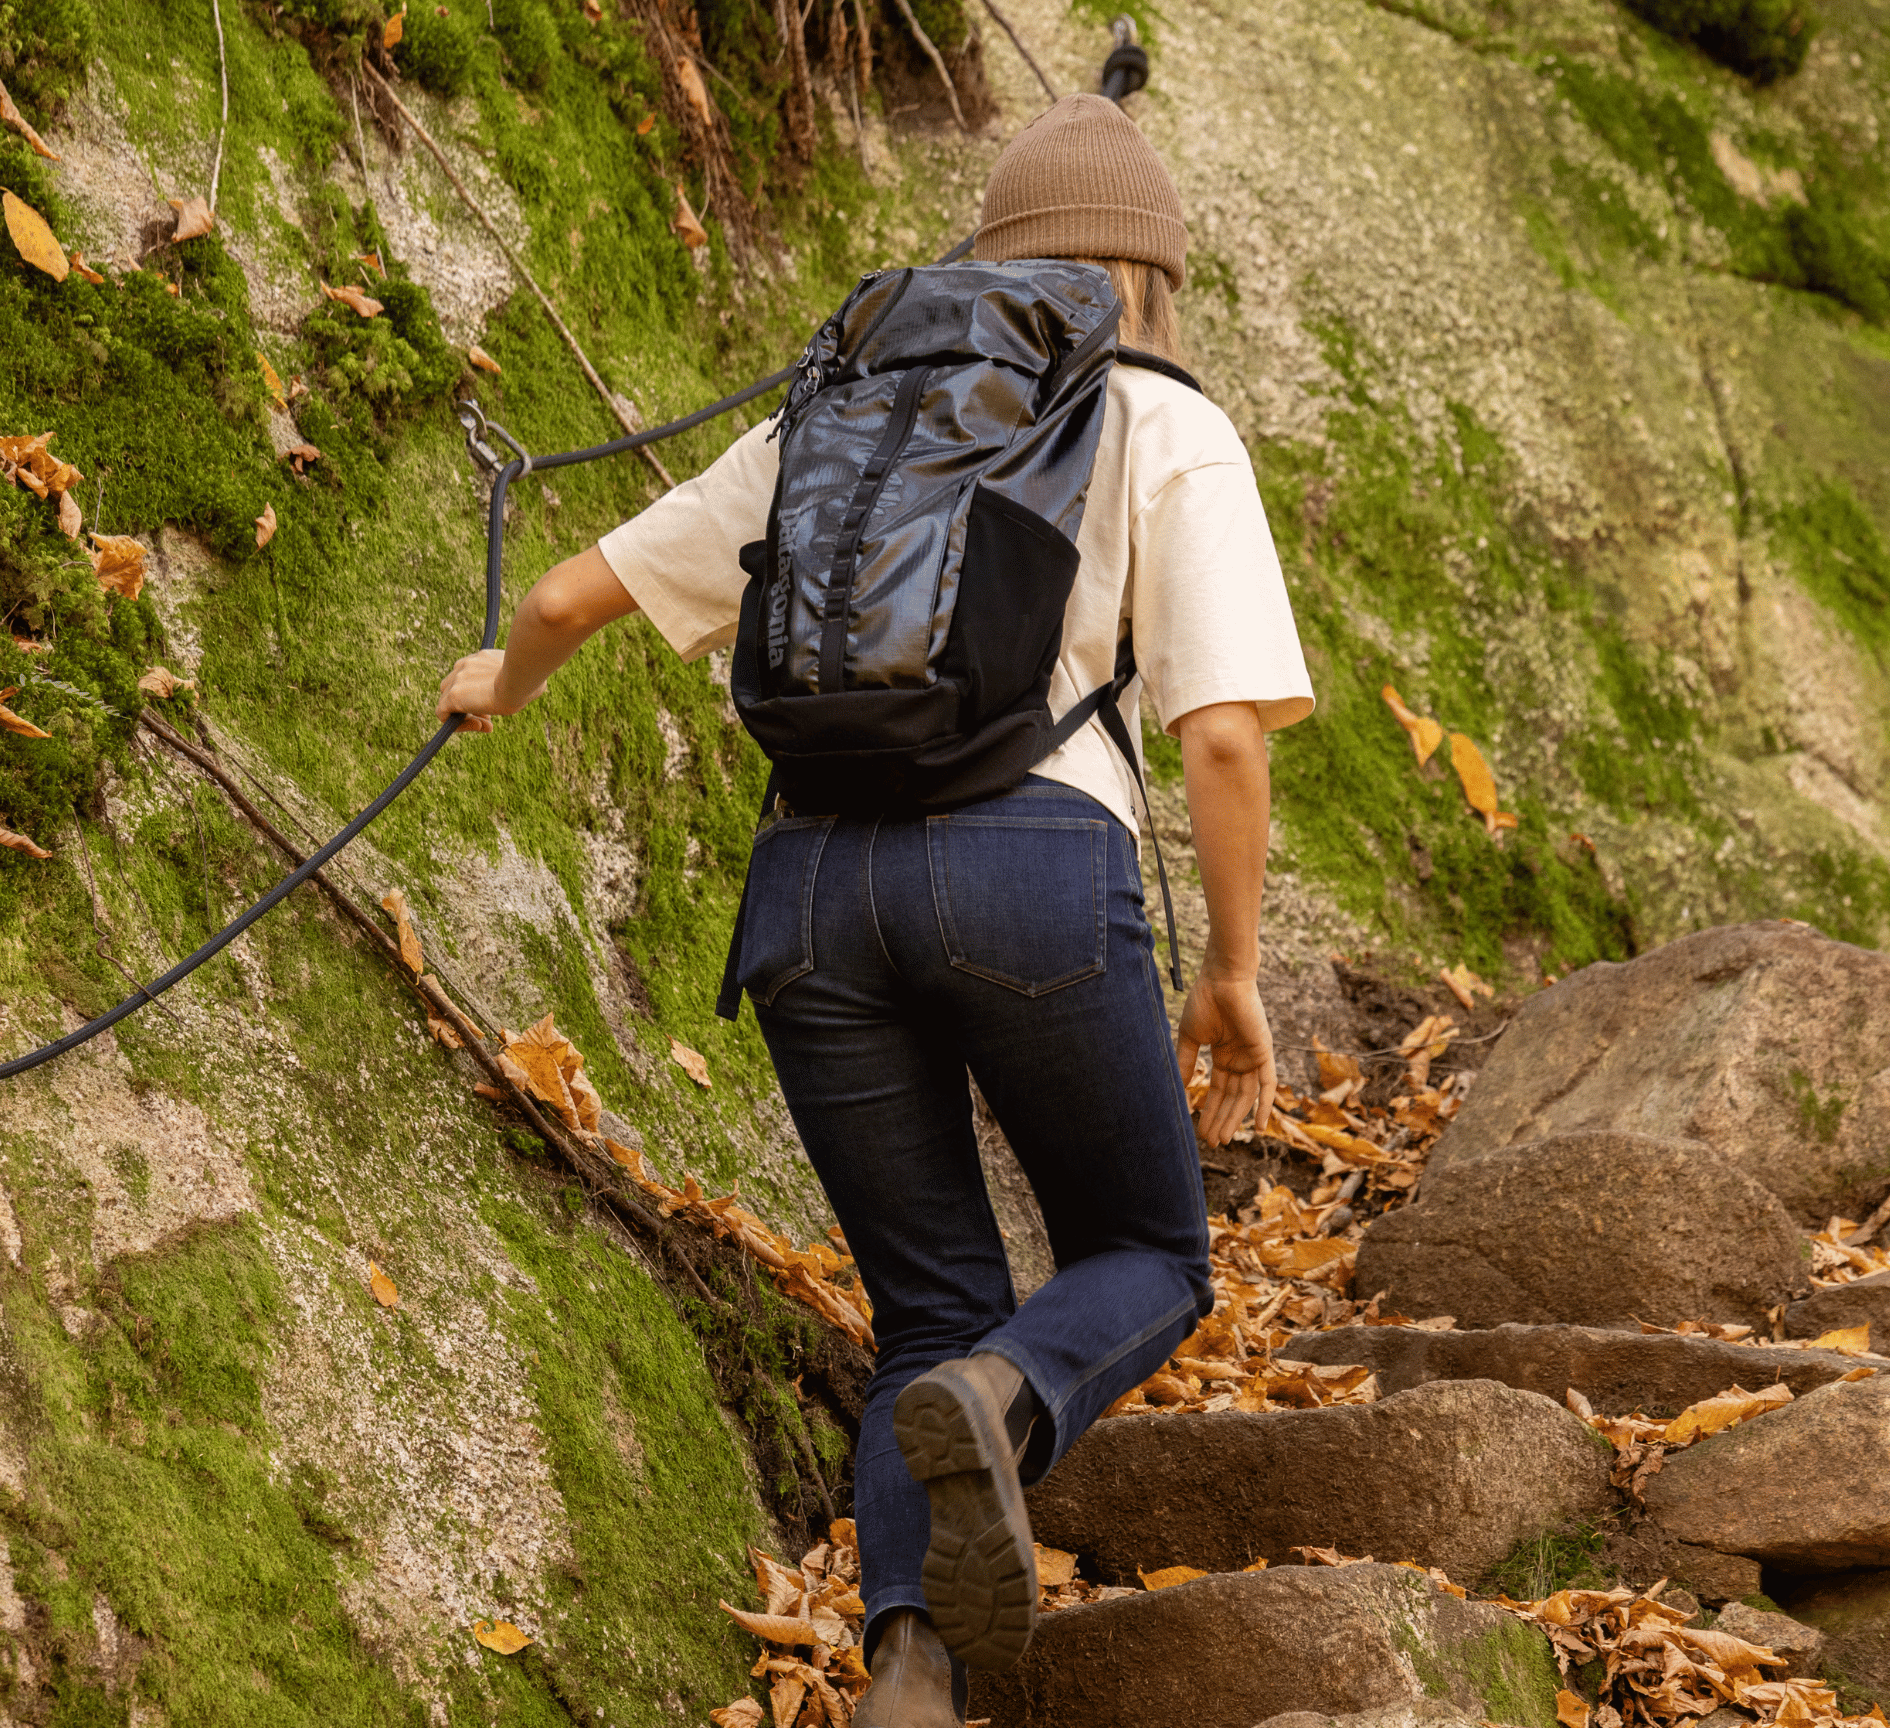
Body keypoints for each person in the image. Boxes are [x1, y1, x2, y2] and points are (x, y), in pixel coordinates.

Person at [437, 93, 1313, 1727]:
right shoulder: (1165, 422)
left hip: (811, 894)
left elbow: (568, 595)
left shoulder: (838, 413)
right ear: (1155, 277)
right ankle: (1011, 1391)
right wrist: (1238, 971)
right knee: (1146, 1248)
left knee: (924, 1302)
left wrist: (506, 678)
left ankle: (910, 1669)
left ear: (987, 261)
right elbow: (1222, 734)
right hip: (1031, 872)